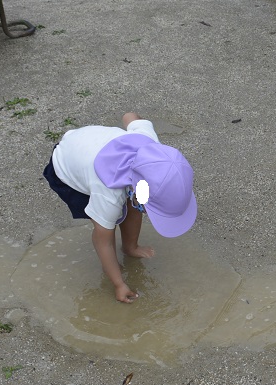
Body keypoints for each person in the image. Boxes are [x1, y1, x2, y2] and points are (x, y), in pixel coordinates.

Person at [43, 112, 197, 303]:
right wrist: (119, 283)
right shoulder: (107, 192)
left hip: (89, 140)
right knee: (107, 222)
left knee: (134, 205)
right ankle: (114, 269)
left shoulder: (150, 146)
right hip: (67, 165)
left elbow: (130, 116)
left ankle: (130, 247)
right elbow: (103, 241)